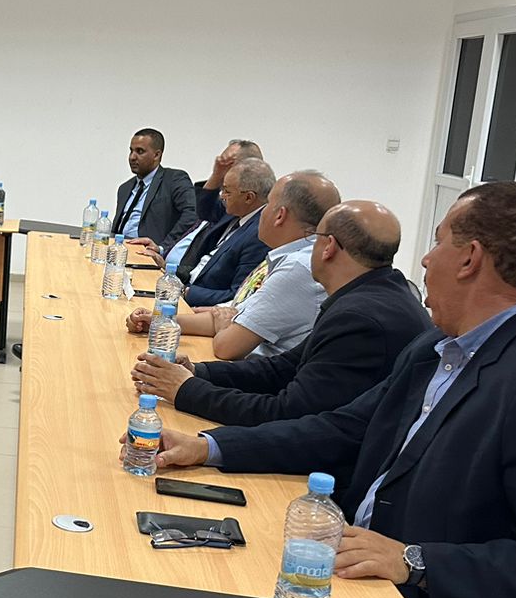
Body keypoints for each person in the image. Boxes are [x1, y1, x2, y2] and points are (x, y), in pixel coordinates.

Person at [153, 181, 516, 598]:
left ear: (470, 259)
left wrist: (415, 562)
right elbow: (345, 428)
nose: (425, 260)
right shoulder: (438, 345)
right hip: (342, 570)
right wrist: (209, 447)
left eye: (438, 242)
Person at [133, 200, 432, 425]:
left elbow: (287, 411)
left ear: (328, 247)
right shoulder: (367, 295)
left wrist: (187, 390)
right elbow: (283, 368)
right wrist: (199, 372)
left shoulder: (361, 318)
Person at [129, 169, 337, 360]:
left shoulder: (296, 268)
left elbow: (227, 346)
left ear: (279, 215)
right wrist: (158, 321)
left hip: (250, 376)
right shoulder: (289, 255)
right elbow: (228, 317)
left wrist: (225, 323)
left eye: (267, 205)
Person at [137, 156, 273, 307]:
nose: (221, 196)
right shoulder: (235, 213)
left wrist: (185, 292)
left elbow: (237, 296)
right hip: (183, 284)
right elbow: (203, 210)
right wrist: (167, 268)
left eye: (227, 191)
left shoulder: (259, 234)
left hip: (200, 306)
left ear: (248, 197)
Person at [113, 128, 197, 250]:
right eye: (131, 151)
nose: (132, 157)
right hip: (119, 249)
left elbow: (191, 215)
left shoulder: (174, 179)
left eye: (140, 151)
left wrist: (162, 247)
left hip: (147, 252)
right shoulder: (124, 188)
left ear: (157, 155)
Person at [195, 138, 264, 227]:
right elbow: (203, 211)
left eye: (225, 164)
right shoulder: (231, 203)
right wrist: (216, 176)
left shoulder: (267, 207)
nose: (220, 168)